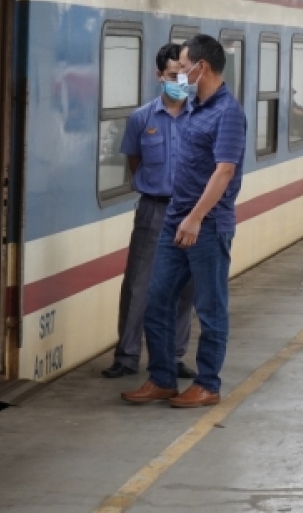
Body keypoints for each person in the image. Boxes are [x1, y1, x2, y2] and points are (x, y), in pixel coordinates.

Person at [123, 34, 247, 408]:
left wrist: (194, 219)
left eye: (184, 65)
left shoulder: (228, 112)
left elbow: (224, 171)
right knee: (157, 300)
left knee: (209, 309)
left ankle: (208, 383)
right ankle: (162, 377)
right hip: (176, 218)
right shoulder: (193, 106)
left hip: (206, 225)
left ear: (201, 67)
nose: (180, 73)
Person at [103, 44, 196, 380]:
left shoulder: (201, 116)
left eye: (185, 75)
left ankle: (173, 356)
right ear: (160, 76)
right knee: (138, 284)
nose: (180, 81)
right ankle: (127, 356)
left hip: (191, 212)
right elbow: (134, 162)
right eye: (174, 75)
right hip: (154, 210)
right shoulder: (141, 118)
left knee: (186, 287)